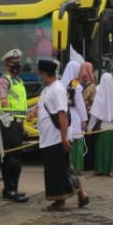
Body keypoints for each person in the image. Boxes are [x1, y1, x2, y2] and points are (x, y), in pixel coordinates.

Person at [34, 58, 84, 211]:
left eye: (39, 72)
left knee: (56, 171)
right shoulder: (46, 90)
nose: (38, 75)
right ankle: (82, 194)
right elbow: (42, 106)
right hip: (49, 137)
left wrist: (63, 137)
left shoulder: (57, 89)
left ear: (43, 73)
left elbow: (62, 114)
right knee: (65, 169)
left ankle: (60, 201)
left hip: (56, 138)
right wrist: (34, 112)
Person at [0, 49, 29, 203]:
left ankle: (13, 188)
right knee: (11, 159)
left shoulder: (19, 81)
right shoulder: (5, 80)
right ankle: (10, 190)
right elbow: (3, 96)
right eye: (14, 63)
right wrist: (3, 99)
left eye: (18, 63)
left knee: (16, 158)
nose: (17, 66)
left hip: (18, 122)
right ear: (7, 64)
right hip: (8, 122)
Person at [88, 66, 113, 176]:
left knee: (103, 151)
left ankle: (102, 169)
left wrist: (89, 128)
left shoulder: (99, 95)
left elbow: (94, 115)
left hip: (103, 130)